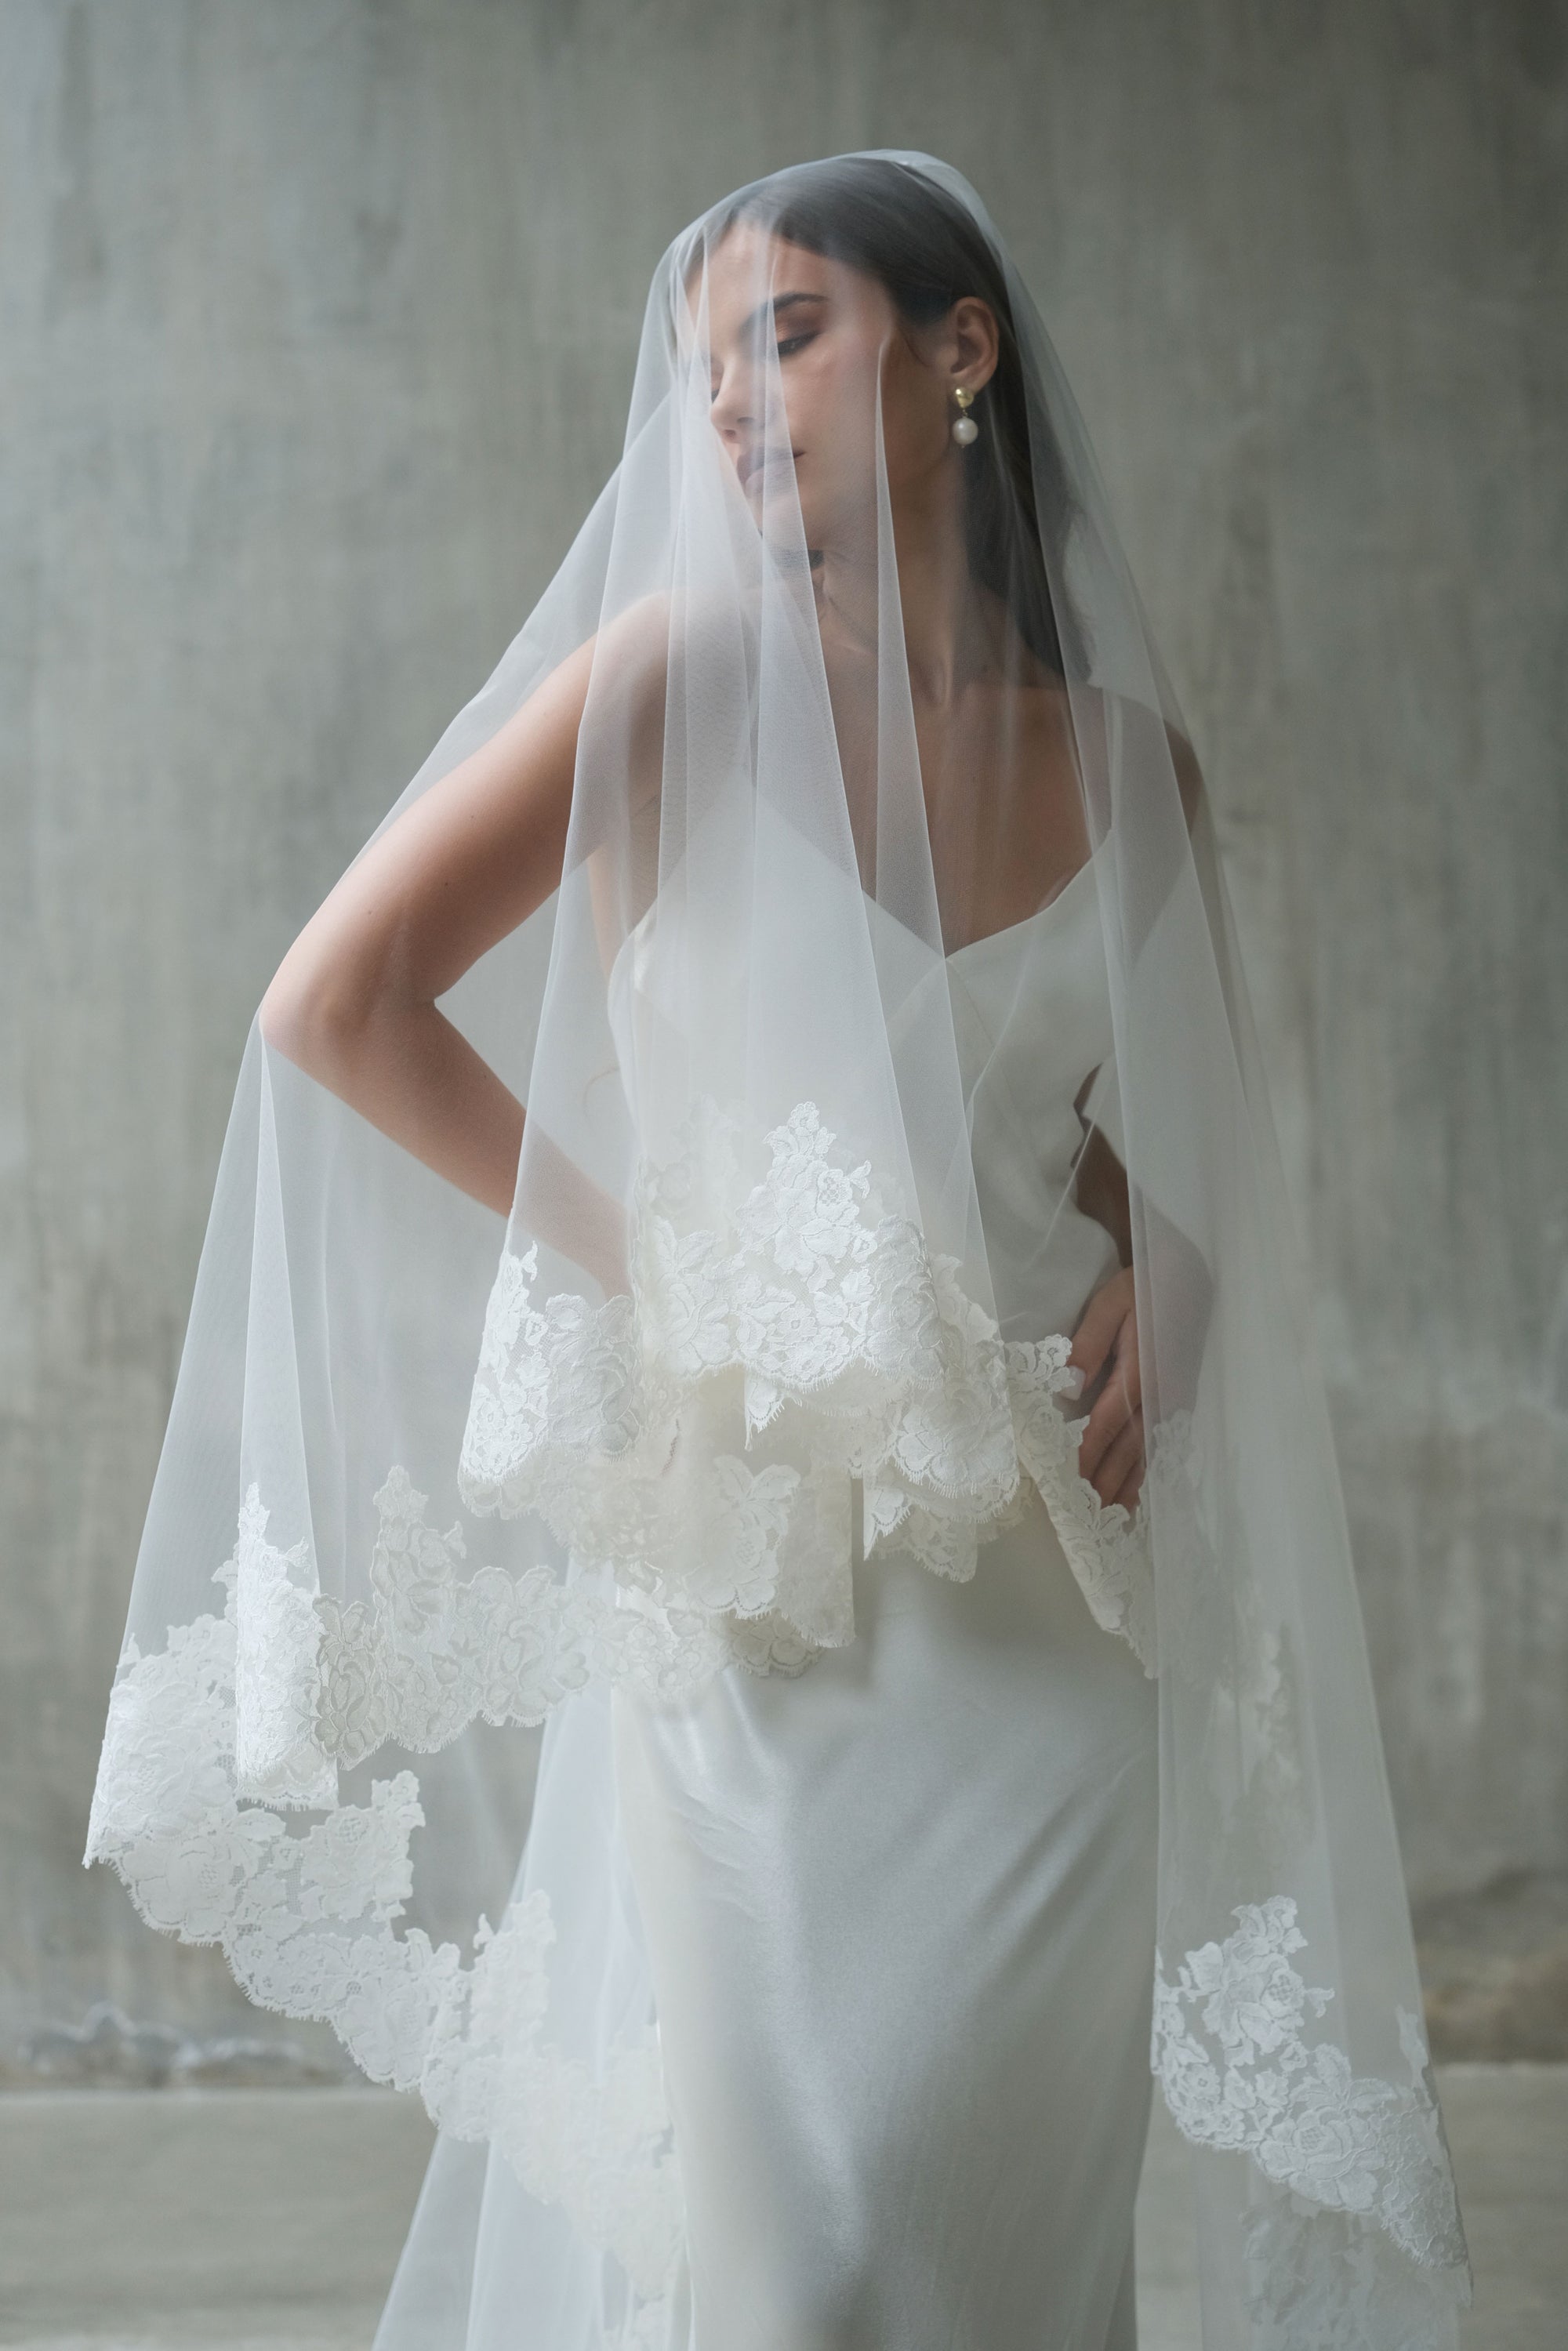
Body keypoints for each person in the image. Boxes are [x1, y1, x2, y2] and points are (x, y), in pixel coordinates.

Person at [86, 153, 1471, 2349]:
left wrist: (1169, 1271)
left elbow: (1102, 1143)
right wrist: (647, 1266)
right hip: (768, 1612)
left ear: (960, 349)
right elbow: (335, 1002)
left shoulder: (1134, 778)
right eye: (701, 356)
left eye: (786, 332)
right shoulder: (678, 678)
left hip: (1049, 1623)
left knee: (1008, 2264)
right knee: (808, 2267)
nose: (727, 396)